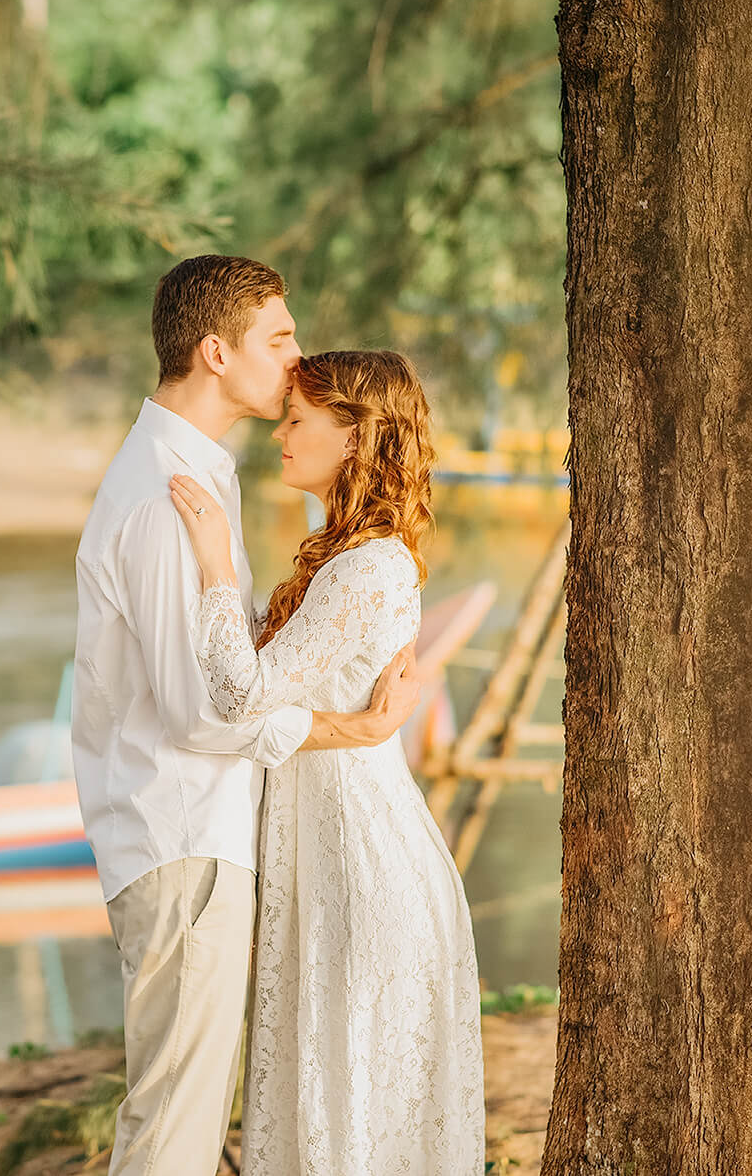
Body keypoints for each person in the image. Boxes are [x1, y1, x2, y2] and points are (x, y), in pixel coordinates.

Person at [70, 256, 426, 1176]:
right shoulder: (164, 496)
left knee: (183, 1123)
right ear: (215, 353)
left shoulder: (201, 478)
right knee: (172, 1134)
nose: (296, 355)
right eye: (279, 337)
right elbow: (201, 713)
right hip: (181, 832)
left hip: (201, 831)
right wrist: (353, 729)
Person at [169, 349, 484, 1174]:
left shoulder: (369, 567)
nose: (281, 432)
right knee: (318, 1092)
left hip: (360, 862)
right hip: (321, 848)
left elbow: (242, 693)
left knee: (350, 1101)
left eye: (300, 419)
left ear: (354, 437)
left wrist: (213, 562)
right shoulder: (338, 554)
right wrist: (350, 725)